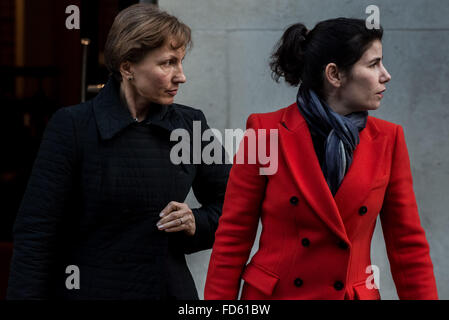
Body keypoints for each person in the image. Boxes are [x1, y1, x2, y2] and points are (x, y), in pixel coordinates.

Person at [7, 3, 230, 300]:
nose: (181, 76)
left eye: (181, 62)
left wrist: (195, 222)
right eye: (167, 63)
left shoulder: (190, 125)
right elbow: (36, 234)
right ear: (127, 67)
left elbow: (233, 206)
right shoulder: (73, 126)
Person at [204, 18, 438, 300]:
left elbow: (407, 247)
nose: (385, 75)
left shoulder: (389, 140)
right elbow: (233, 236)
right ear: (335, 75)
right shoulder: (264, 132)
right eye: (373, 64)